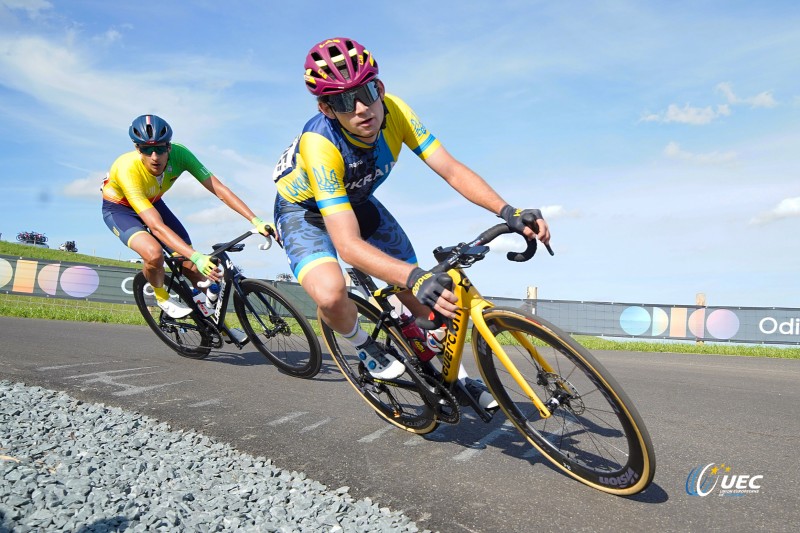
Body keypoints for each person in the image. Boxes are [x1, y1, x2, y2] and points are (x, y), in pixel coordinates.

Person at [272, 38, 550, 408]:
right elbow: (348, 246)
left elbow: (450, 169)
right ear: (326, 108)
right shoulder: (319, 145)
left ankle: (456, 376)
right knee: (332, 292)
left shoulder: (396, 111)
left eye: (367, 91)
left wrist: (507, 211)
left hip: (356, 201)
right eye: (342, 100)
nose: (361, 108)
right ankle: (363, 345)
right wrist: (413, 276)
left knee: (424, 298)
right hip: (303, 212)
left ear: (380, 88)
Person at [102, 114, 274, 343]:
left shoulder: (181, 154)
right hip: (121, 210)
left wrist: (255, 220)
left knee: (192, 268)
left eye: (161, 149)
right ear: (137, 149)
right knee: (153, 253)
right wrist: (195, 254)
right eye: (146, 149)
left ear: (169, 147)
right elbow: (155, 226)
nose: (155, 157)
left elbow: (219, 189)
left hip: (153, 203)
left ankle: (218, 325)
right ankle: (162, 296)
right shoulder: (126, 168)